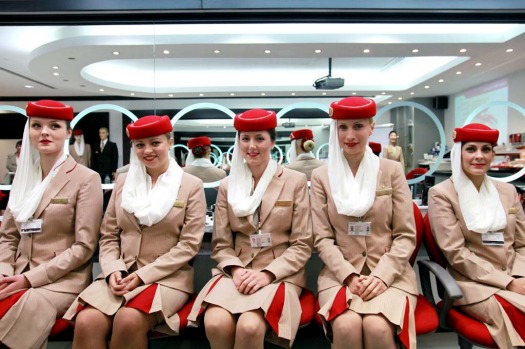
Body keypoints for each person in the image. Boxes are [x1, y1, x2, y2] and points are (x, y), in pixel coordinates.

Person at [64, 115, 206, 349]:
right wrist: (112, 270)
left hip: (166, 278)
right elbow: (108, 236)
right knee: (87, 321)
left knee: (128, 320)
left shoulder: (191, 185)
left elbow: (188, 246)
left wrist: (142, 276)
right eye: (140, 145)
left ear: (170, 143)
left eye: (155, 143)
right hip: (120, 273)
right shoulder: (123, 182)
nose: (147, 150)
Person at [188, 108, 312, 348]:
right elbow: (222, 245)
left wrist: (267, 274)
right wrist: (236, 271)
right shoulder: (227, 185)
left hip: (279, 273)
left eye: (259, 138)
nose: (251, 146)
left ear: (273, 141)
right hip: (238, 272)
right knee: (214, 323)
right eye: (245, 139)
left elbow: (302, 243)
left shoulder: (294, 181)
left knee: (250, 326)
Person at [311, 97, 418, 349]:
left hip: (391, 273)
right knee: (346, 326)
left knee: (377, 327)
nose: (350, 135)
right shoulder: (321, 176)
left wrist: (381, 276)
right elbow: (322, 238)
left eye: (358, 126)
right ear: (334, 130)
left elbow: (405, 235)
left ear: (371, 127)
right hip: (341, 274)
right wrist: (348, 275)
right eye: (343, 127)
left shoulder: (391, 170)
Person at [0, 99, 103, 349]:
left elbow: (83, 247)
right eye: (37, 126)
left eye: (54, 126)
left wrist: (29, 279)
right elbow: (9, 237)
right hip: (16, 274)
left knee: (19, 310)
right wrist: (4, 271)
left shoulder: (86, 179)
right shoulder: (23, 179)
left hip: (62, 281)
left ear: (68, 133)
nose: (44, 132)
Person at [428, 123, 525, 348]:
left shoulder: (508, 191)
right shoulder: (442, 194)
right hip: (473, 283)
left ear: (493, 154)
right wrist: (508, 283)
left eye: (486, 149)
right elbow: (456, 254)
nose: (479, 156)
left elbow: (522, 243)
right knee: (516, 315)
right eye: (471, 149)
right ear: (458, 153)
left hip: (516, 275)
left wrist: (519, 276)